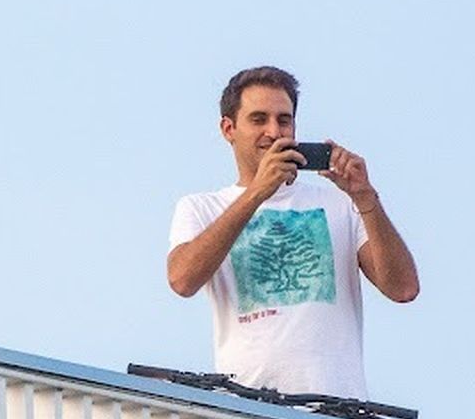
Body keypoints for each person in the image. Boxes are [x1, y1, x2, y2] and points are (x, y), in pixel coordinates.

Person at [166, 65, 419, 399]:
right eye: (259, 119)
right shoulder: (202, 207)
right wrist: (257, 193)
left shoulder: (340, 204)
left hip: (336, 410)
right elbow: (182, 279)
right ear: (229, 129)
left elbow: (403, 288)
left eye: (284, 120)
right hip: (248, 409)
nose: (274, 132)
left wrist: (365, 197)